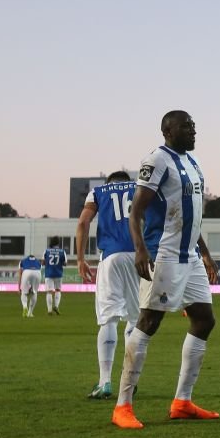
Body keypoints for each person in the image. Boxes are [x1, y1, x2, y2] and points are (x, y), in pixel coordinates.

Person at [112, 110, 220, 430]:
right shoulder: (157, 159)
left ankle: (182, 401)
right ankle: (123, 405)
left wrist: (207, 254)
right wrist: (141, 249)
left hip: (190, 255)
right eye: (186, 126)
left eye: (194, 126)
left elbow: (191, 214)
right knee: (148, 321)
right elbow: (136, 211)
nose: (193, 131)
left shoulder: (192, 162)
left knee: (204, 319)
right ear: (167, 130)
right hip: (165, 253)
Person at [77, 170, 141, 400]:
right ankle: (130, 380)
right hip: (138, 256)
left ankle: (105, 381)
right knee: (136, 318)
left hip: (111, 257)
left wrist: (81, 258)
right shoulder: (140, 187)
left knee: (109, 318)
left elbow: (84, 222)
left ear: (109, 182)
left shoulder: (98, 192)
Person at [43, 237, 67, 315]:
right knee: (58, 290)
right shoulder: (62, 251)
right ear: (58, 243)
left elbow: (43, 262)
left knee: (49, 292)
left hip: (49, 273)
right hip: (58, 273)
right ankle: (56, 306)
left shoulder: (46, 251)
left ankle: (49, 310)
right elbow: (65, 263)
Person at [19, 254, 43, 318]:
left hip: (27, 272)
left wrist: (19, 286)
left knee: (24, 293)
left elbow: (20, 273)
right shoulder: (38, 262)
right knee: (34, 292)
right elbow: (40, 270)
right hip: (37, 272)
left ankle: (25, 307)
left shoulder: (23, 261)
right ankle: (30, 313)